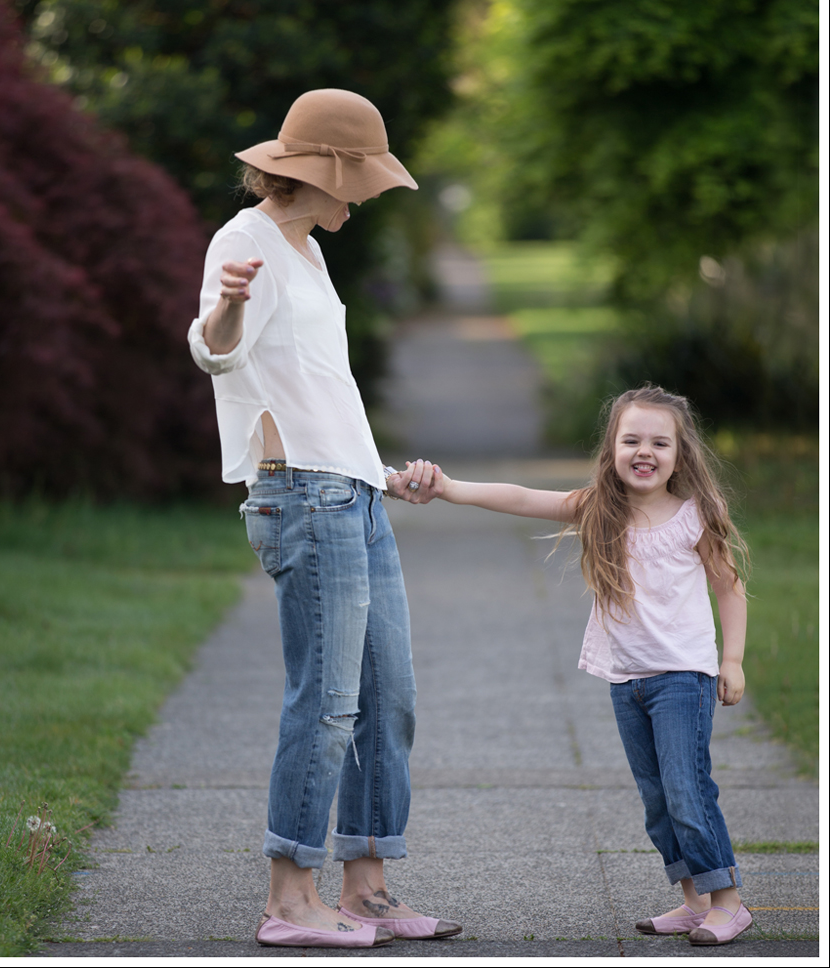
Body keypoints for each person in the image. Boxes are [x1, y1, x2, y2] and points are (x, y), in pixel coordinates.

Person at [187, 89, 461, 949]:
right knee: (329, 701)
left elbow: (316, 387)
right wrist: (226, 303)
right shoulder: (246, 243)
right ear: (325, 173)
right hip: (302, 496)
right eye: (362, 178)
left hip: (351, 490)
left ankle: (368, 887)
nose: (369, 196)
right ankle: (289, 898)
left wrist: (376, 469)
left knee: (388, 697)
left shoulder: (308, 251)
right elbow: (216, 349)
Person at [392, 385, 752, 946]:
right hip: (628, 681)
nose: (645, 451)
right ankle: (693, 900)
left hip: (685, 678)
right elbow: (519, 497)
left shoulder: (695, 516)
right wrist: (449, 489)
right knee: (658, 799)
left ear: (681, 454)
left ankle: (728, 901)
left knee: (687, 789)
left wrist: (732, 660)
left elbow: (729, 587)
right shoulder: (599, 509)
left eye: (660, 442)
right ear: (611, 449)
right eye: (631, 439)